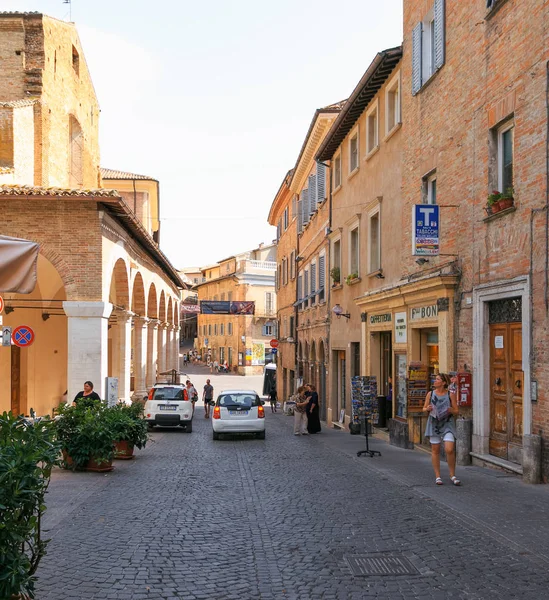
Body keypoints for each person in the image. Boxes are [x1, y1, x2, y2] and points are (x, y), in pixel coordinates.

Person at [423, 373, 461, 486]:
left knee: (449, 449)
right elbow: (424, 408)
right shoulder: (430, 394)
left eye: (438, 379)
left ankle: (452, 475)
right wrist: (427, 408)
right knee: (435, 450)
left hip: (447, 423)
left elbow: (456, 411)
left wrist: (451, 410)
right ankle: (438, 476)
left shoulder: (450, 394)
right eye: (435, 379)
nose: (435, 381)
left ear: (443, 383)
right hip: (434, 423)